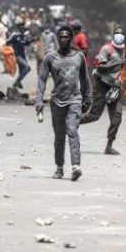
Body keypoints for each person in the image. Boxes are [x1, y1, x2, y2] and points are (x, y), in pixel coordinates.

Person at [35, 26, 92, 181]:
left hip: (74, 99)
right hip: (57, 101)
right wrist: (39, 100)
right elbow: (42, 79)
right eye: (61, 36)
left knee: (72, 130)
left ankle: (76, 166)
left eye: (66, 36)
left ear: (71, 38)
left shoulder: (79, 57)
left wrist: (88, 98)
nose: (63, 39)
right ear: (57, 38)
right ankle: (59, 168)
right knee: (59, 136)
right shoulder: (50, 58)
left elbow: (85, 79)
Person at [80, 26, 126, 155]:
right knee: (94, 116)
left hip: (114, 87)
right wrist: (118, 63)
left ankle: (109, 146)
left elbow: (118, 69)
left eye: (121, 34)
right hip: (102, 86)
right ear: (113, 36)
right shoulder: (107, 49)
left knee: (117, 118)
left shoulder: (123, 50)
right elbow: (98, 66)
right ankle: (72, 122)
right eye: (117, 34)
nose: (119, 36)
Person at [6, 22, 33, 89]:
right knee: (27, 67)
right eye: (22, 27)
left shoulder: (23, 35)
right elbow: (7, 42)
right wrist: (10, 52)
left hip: (22, 55)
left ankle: (17, 83)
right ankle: (16, 82)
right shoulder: (14, 35)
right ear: (19, 28)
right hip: (17, 55)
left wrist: (32, 40)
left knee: (23, 71)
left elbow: (26, 43)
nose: (24, 29)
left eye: (24, 27)